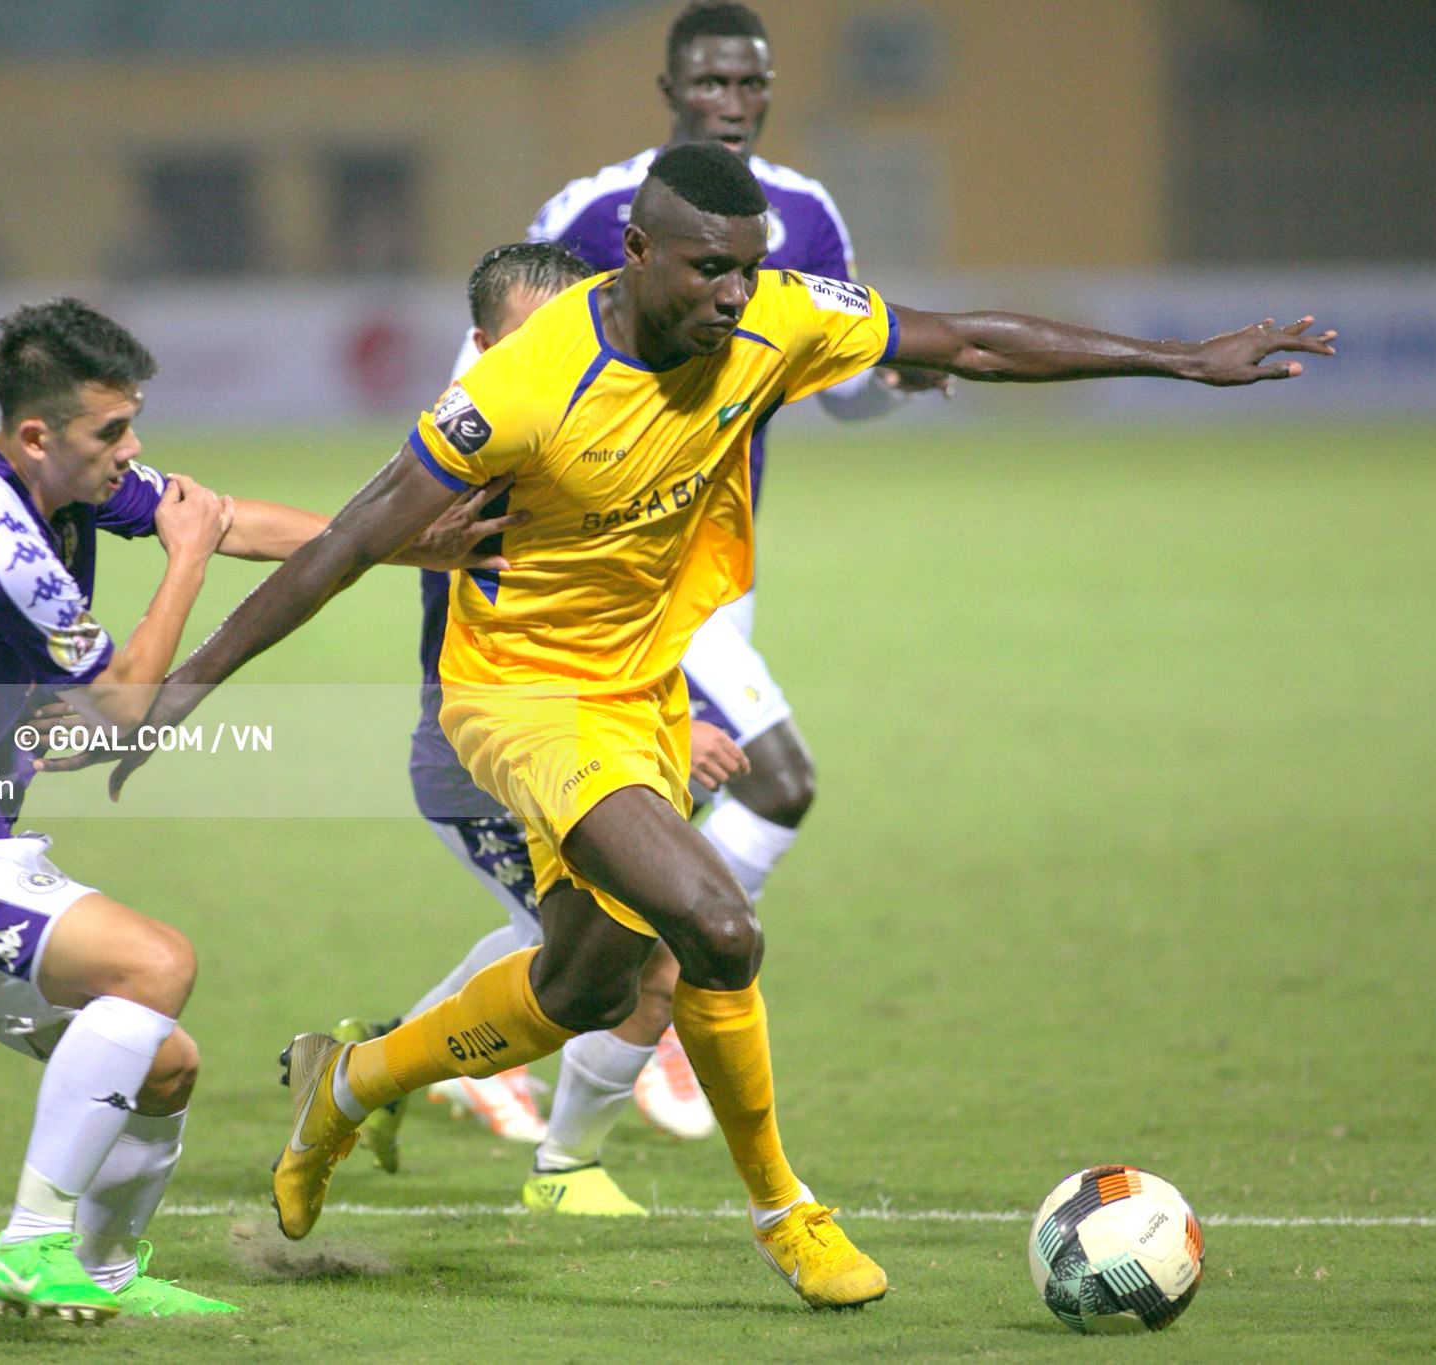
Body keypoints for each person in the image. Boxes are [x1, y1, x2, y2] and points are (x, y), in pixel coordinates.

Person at [70, 142, 1334, 1309]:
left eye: (747, 267)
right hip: (515, 694)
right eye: (707, 269)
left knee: (579, 986)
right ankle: (788, 1212)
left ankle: (345, 1089)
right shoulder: (527, 383)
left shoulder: (774, 316)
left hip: (644, 691)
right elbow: (349, 540)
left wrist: (1173, 360)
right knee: (715, 924)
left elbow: (968, 340)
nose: (734, 293)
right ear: (635, 247)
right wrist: (180, 691)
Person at [0, 297, 512, 1323]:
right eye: (112, 434)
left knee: (160, 1063)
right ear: (38, 434)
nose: (130, 453)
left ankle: (94, 1275)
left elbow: (221, 518)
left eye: (131, 425)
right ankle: (29, 1246)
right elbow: (127, 712)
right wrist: (181, 555)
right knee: (156, 964)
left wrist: (413, 545)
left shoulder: (36, 468)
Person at [409, 3, 951, 1187]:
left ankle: (445, 1047)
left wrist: (900, 383)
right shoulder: (585, 213)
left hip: (711, 565)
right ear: (668, 84)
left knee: (595, 915)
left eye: (748, 80)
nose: (730, 97)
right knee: (772, 784)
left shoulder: (804, 214)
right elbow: (493, 371)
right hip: (615, 578)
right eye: (708, 78)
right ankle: (631, 1047)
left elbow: (840, 382)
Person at [336, 242, 753, 1217]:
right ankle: (558, 1164)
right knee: (624, 949)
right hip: (487, 756)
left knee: (578, 944)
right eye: (524, 342)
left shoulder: (582, 434)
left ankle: (390, 1061)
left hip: (574, 743)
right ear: (479, 347)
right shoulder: (469, 452)